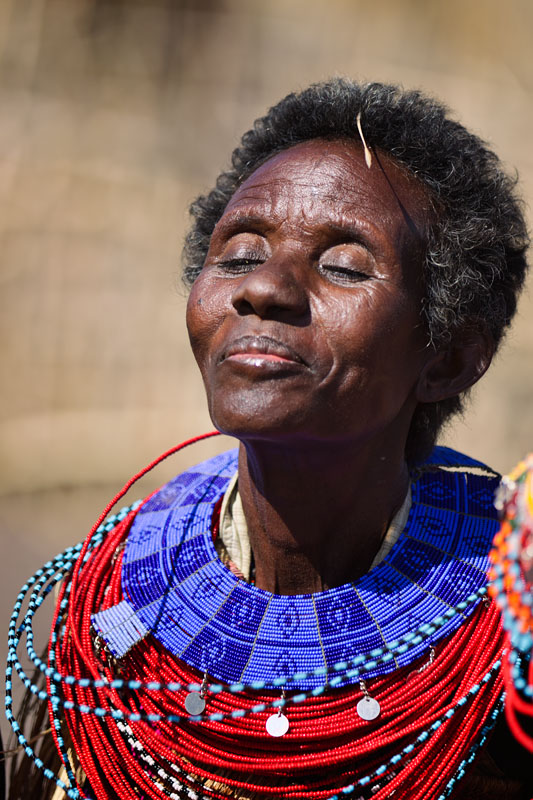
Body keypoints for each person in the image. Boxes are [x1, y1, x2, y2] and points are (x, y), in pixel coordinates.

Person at [4, 79, 532, 799]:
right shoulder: (105, 616)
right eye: (240, 255)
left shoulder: (510, 632)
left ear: (446, 357)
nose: (265, 289)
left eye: (343, 265)